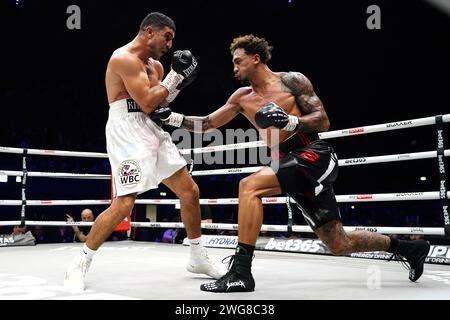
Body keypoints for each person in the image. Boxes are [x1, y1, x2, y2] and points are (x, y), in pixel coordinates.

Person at [150, 34, 431, 292]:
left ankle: (241, 272)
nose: (234, 68)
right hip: (288, 162)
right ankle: (408, 248)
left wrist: (290, 120)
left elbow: (323, 119)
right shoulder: (241, 98)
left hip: (313, 152)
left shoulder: (292, 81)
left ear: (256, 58)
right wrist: (171, 118)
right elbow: (208, 123)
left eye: (238, 61)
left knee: (249, 186)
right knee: (337, 243)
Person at [63, 12, 224, 293]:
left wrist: (180, 81)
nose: (170, 45)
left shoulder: (157, 67)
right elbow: (149, 101)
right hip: (126, 130)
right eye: (167, 37)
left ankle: (198, 257)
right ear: (150, 31)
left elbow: (162, 103)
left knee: (190, 191)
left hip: (152, 128)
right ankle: (80, 262)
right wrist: (177, 76)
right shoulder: (122, 58)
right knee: (124, 202)